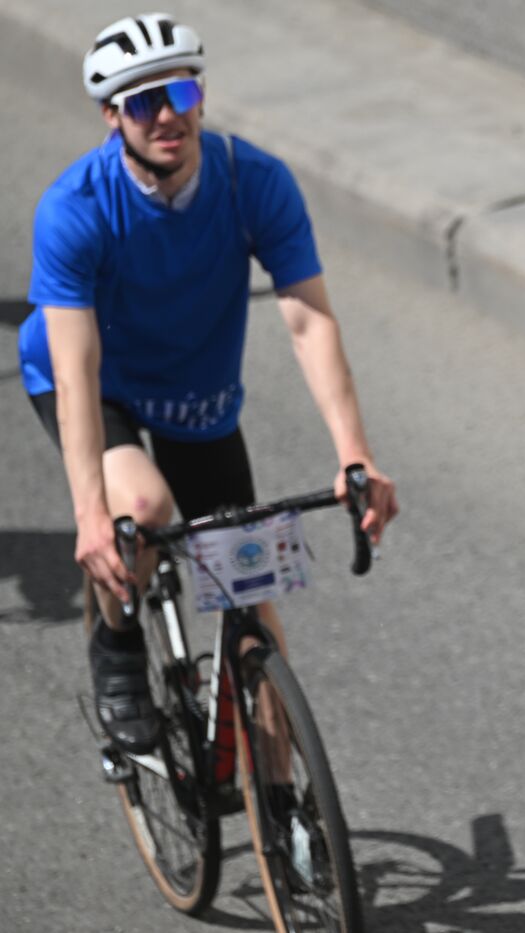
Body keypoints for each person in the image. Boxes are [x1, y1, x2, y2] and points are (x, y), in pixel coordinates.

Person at [17, 13, 399, 757]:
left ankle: (287, 811)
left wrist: (356, 455)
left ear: (202, 95)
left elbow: (309, 321)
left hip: (198, 396)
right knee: (143, 508)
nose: (166, 115)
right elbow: (75, 368)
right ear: (111, 117)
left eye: (180, 92)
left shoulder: (253, 181)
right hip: (101, 388)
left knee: (250, 588)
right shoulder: (76, 209)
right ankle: (120, 648)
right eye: (141, 102)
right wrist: (93, 517)